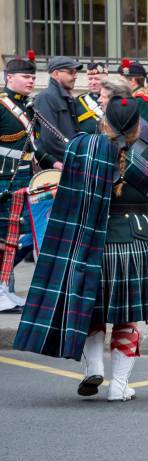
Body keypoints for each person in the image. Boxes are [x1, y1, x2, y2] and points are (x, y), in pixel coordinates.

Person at [13, 96, 148, 401]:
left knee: (93, 311)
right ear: (138, 125)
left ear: (105, 122)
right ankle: (118, 387)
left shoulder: (84, 150)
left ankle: (94, 368)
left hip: (94, 242)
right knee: (127, 319)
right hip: (136, 243)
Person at [0, 52, 37, 313]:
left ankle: (4, 289)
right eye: (26, 76)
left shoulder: (26, 106)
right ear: (9, 77)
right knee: (2, 238)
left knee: (12, 238)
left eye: (34, 77)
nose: (31, 81)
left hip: (21, 178)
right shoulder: (2, 105)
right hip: (4, 180)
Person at [33, 56, 82, 170]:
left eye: (75, 73)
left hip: (68, 162)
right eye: (71, 72)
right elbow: (50, 138)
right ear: (55, 74)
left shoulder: (65, 96)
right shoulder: (47, 97)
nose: (75, 76)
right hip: (58, 166)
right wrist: (74, 158)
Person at [98, 78, 148, 143]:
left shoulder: (143, 129)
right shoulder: (105, 122)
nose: (99, 100)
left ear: (116, 100)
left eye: (103, 97)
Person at [118, 58, 148, 124]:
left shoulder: (140, 100)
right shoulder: (136, 96)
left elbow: (142, 129)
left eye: (122, 81)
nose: (119, 84)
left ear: (133, 81)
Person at [75, 62, 107, 134]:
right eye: (90, 79)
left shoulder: (114, 99)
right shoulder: (79, 101)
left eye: (97, 79)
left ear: (106, 80)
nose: (93, 82)